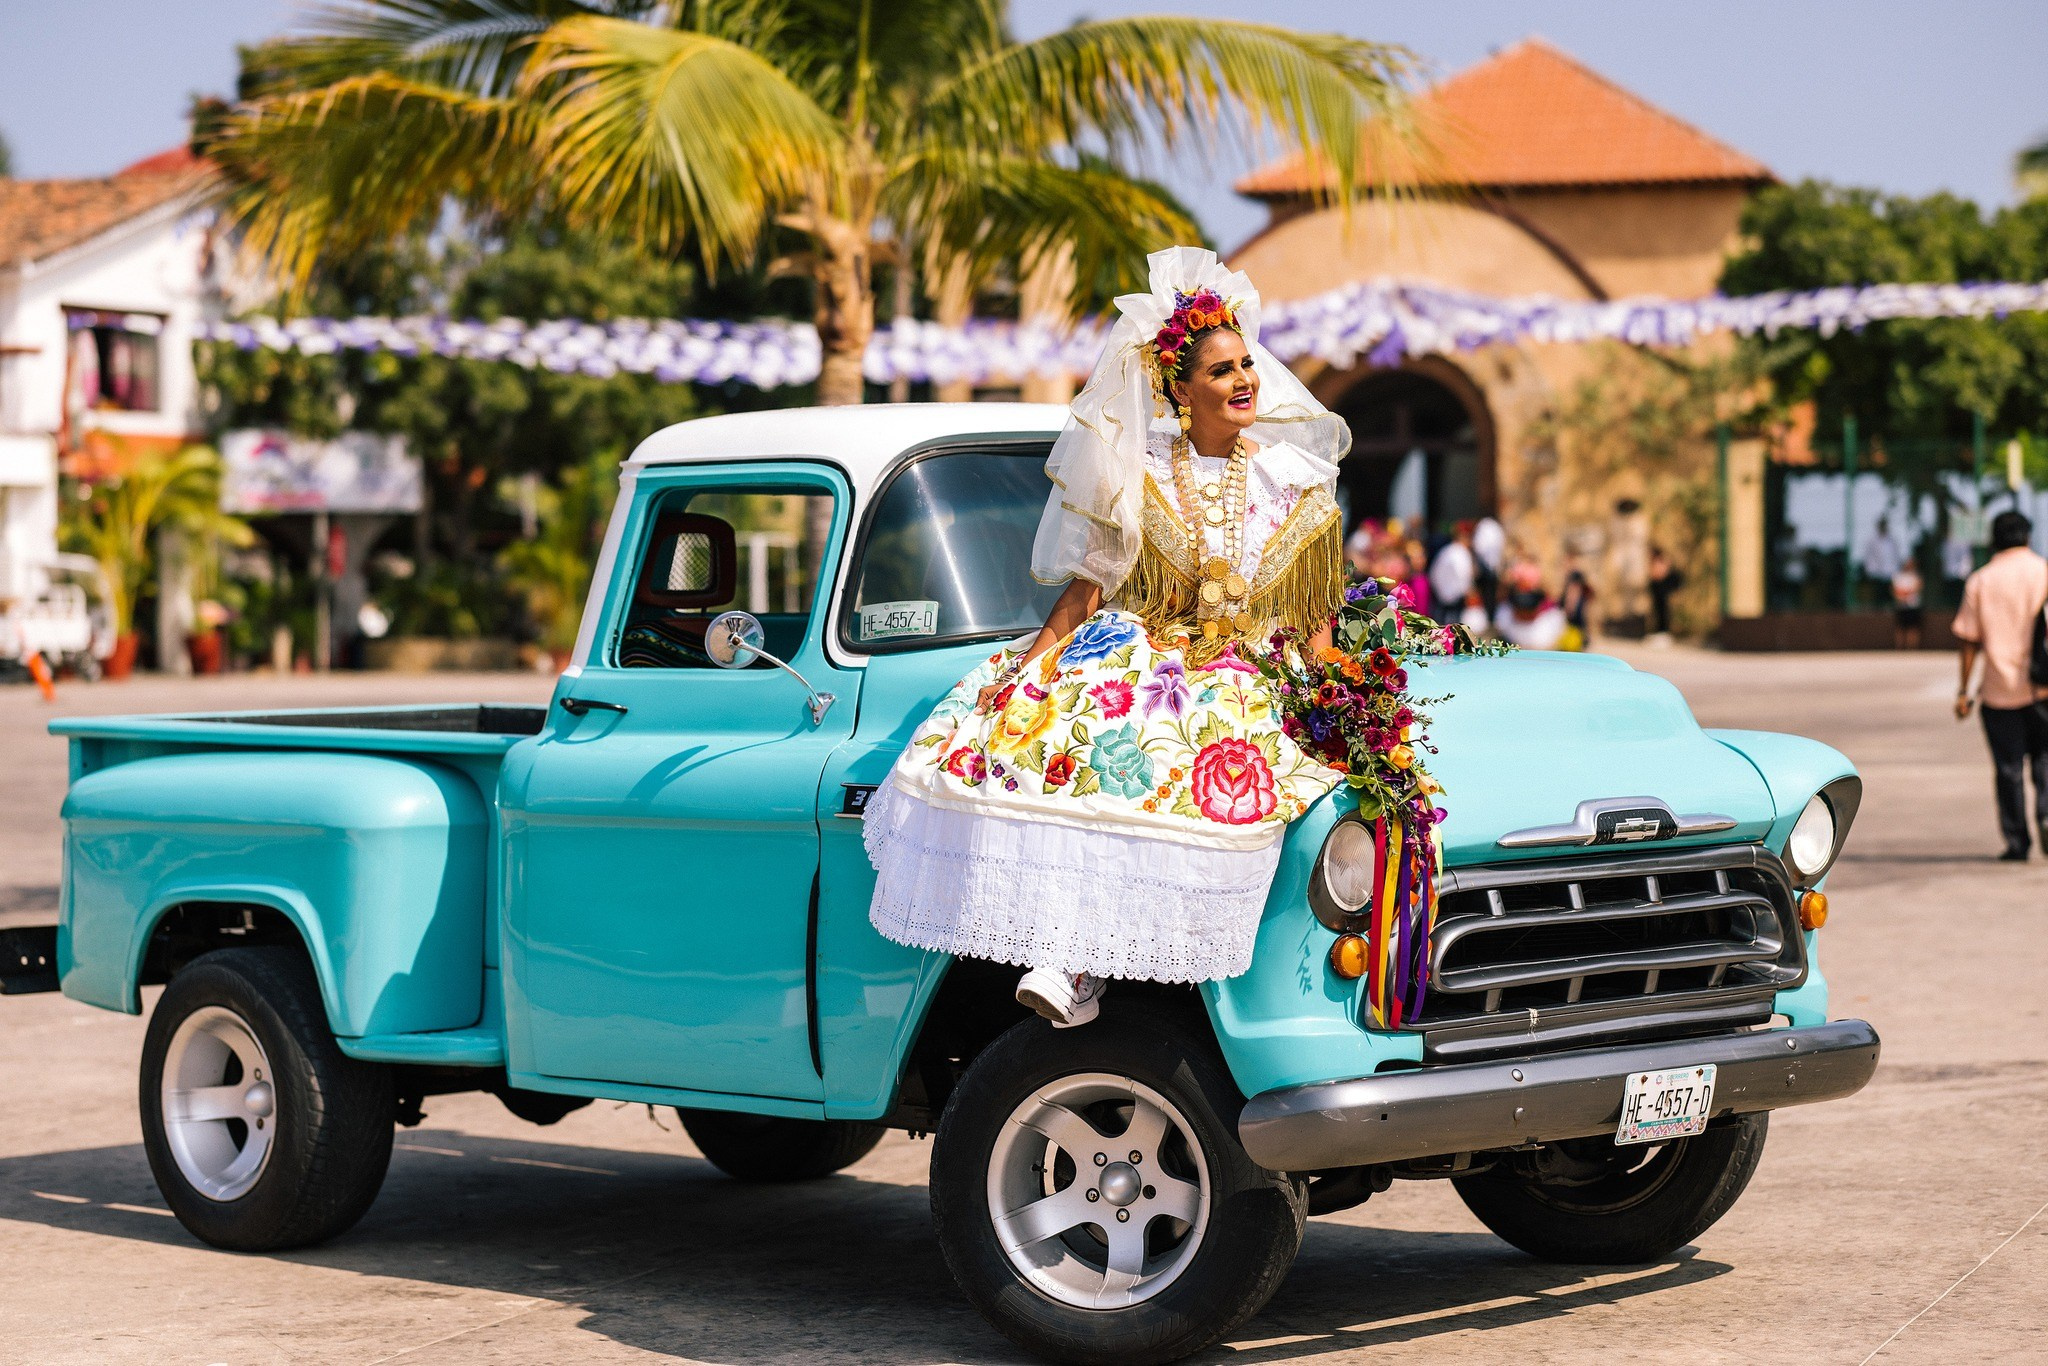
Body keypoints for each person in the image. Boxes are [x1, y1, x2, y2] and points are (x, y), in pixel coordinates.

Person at [862, 247, 1351, 1026]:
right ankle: (1072, 959)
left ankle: (1130, 961)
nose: (1244, 381)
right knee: (1090, 728)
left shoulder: (1290, 481)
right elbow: (1084, 594)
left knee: (1196, 731)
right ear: (1180, 390)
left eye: (1245, 364)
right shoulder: (1142, 474)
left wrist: (1344, 704)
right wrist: (1021, 672)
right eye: (1221, 372)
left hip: (1251, 667)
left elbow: (1317, 618)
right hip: (1157, 652)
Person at [1951, 510, 2048, 861]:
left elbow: (1968, 641)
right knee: (2046, 761)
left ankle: (2017, 842)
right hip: (2043, 690)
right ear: (2027, 537)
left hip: (1998, 691)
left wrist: (1964, 692)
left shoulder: (1980, 581)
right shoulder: (2044, 572)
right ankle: (2047, 814)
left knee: (2008, 770)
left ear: (1994, 540)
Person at [1428, 521, 1477, 621]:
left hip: (1441, 594)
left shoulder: (1445, 550)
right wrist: (1469, 591)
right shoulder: (1461, 552)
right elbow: (1463, 574)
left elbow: (1433, 573)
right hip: (1455, 596)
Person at [1647, 544, 1684, 642]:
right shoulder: (1656, 561)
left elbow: (1659, 574)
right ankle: (1660, 632)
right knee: (1659, 609)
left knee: (1663, 609)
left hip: (1664, 587)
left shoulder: (1661, 560)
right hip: (1660, 587)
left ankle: (1664, 633)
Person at [1889, 558, 1923, 650]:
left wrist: (1905, 592)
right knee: (1900, 627)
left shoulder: (1916, 576)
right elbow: (1895, 590)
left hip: (1913, 606)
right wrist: (1906, 593)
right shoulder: (1898, 576)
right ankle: (1899, 648)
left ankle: (1912, 648)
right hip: (1901, 606)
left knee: (1913, 628)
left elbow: (1917, 587)